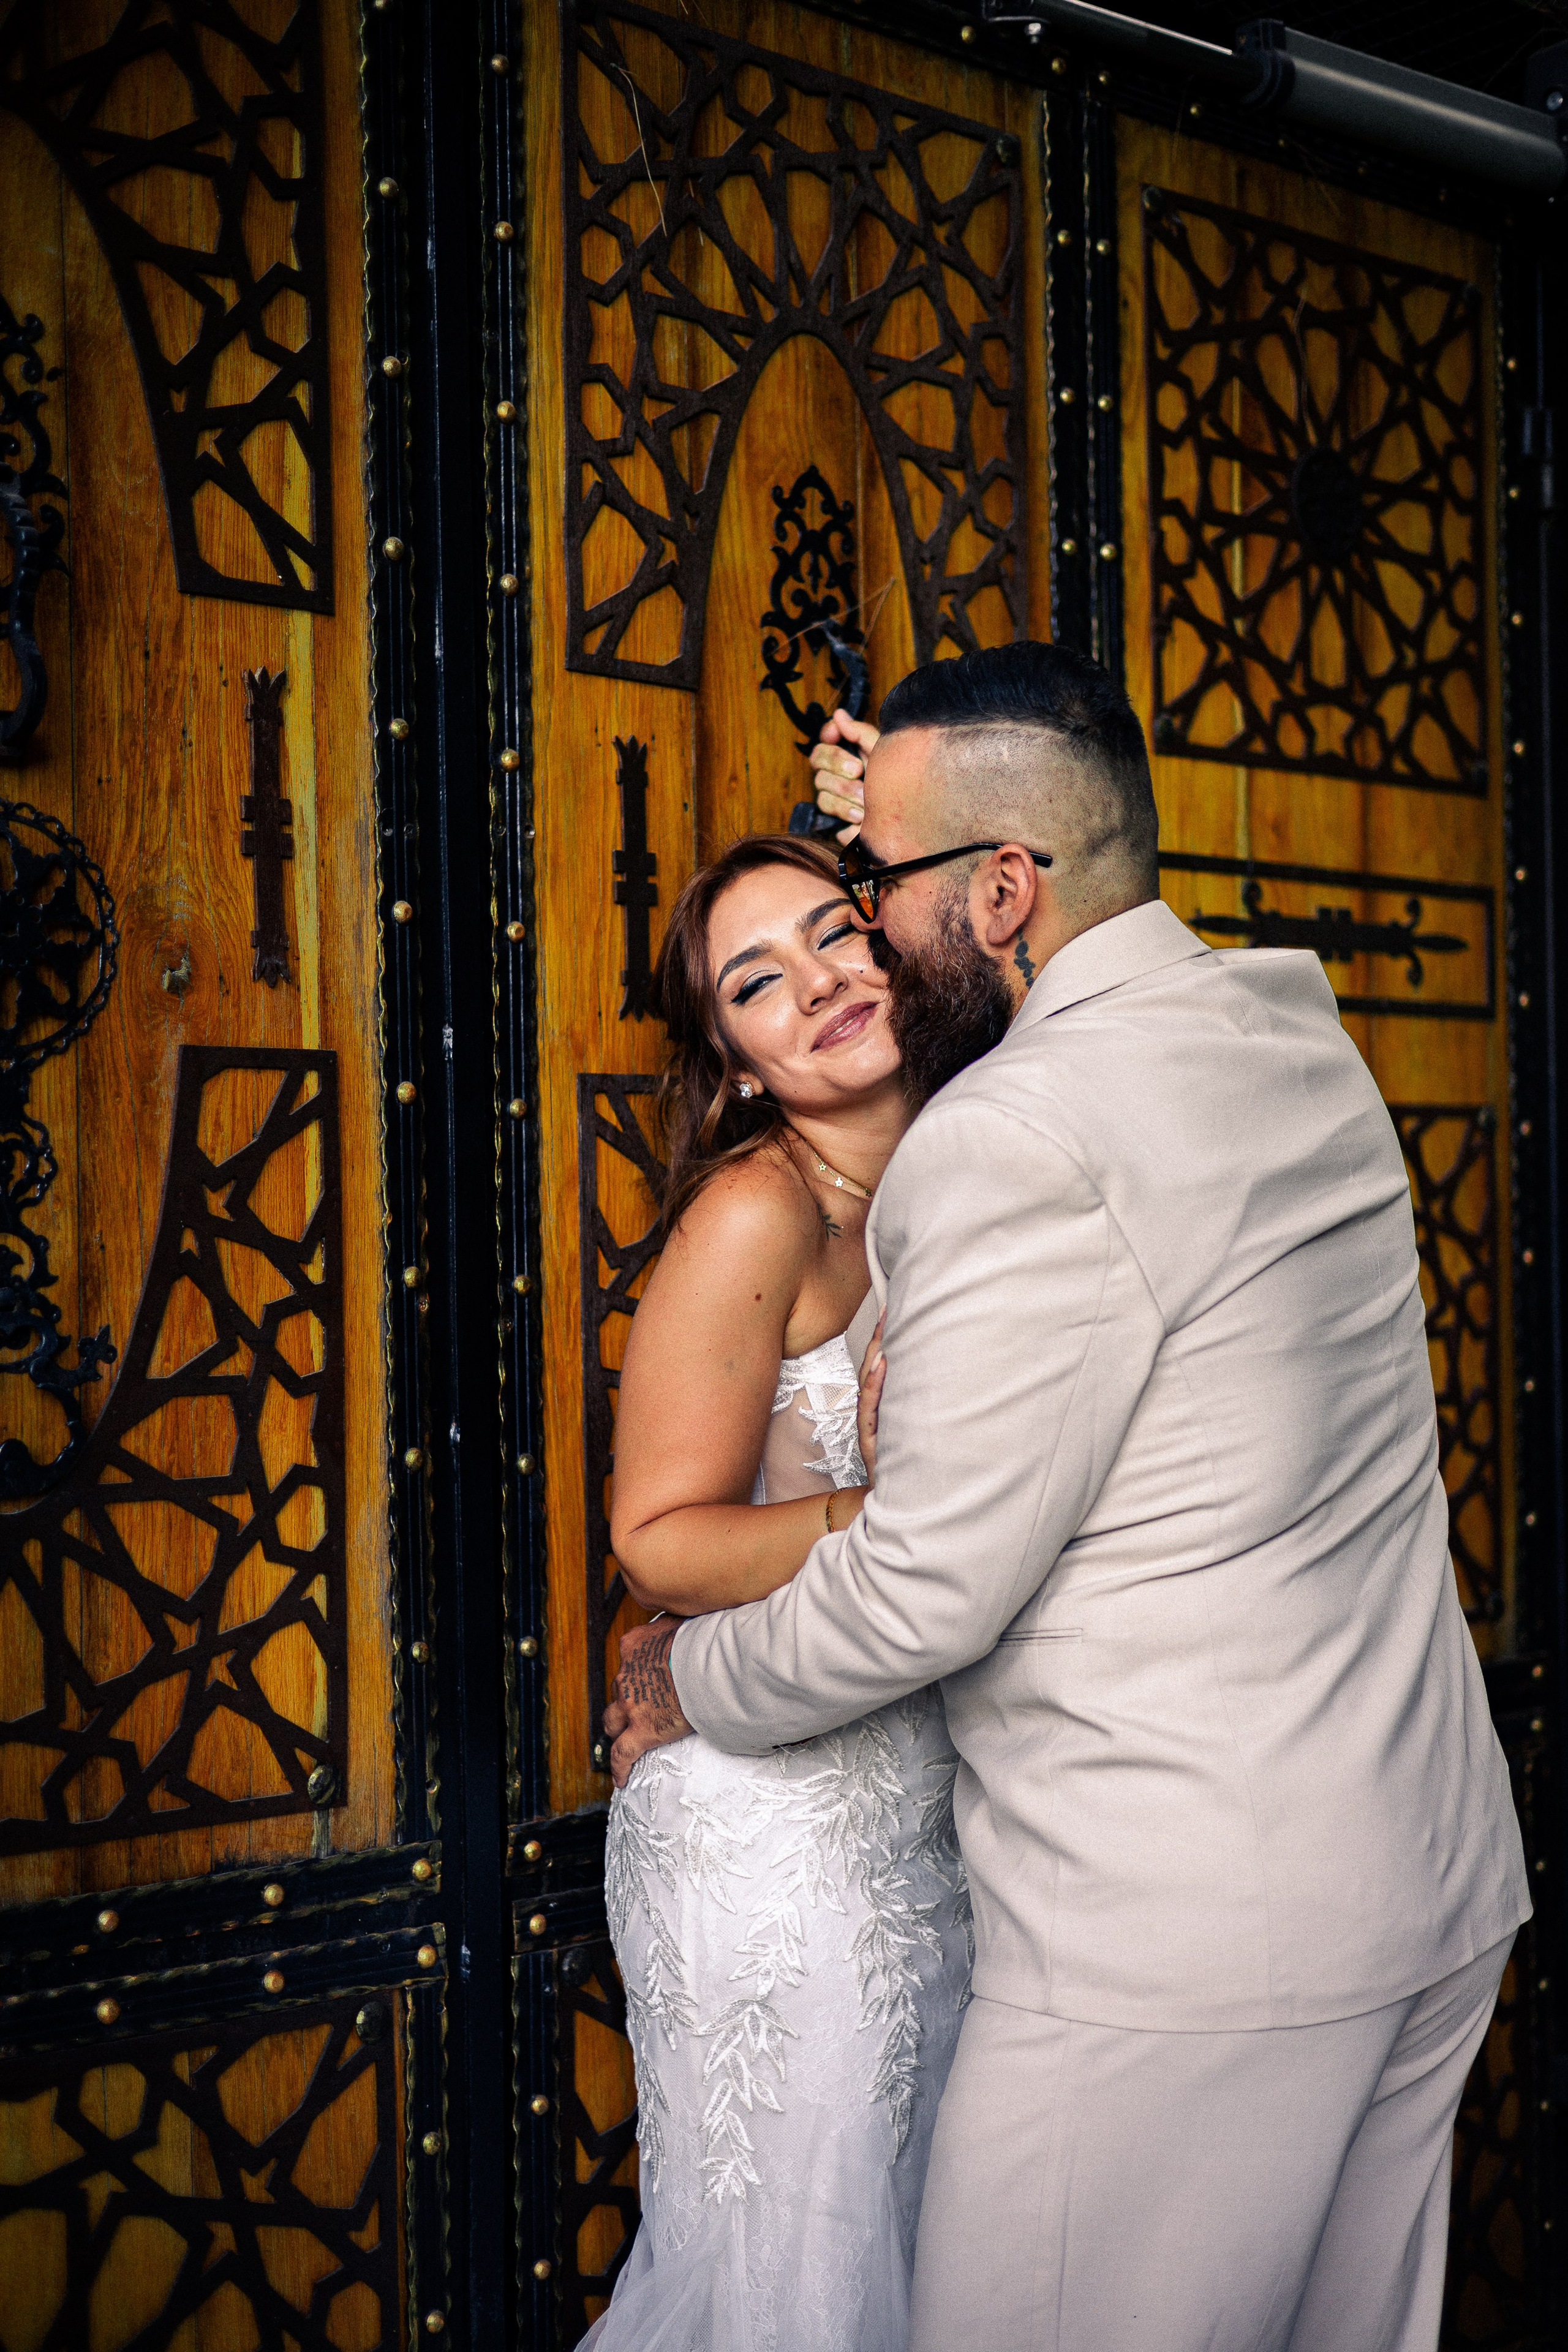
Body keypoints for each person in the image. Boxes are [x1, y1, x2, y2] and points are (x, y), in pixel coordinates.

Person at [603, 642, 1531, 2352]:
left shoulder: (1010, 1136)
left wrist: (697, 1683)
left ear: (1008, 887)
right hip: (1428, 1882)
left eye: (867, 896)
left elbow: (926, 1592)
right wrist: (925, 819)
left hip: (1186, 1953)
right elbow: (1041, 836)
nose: (859, 937)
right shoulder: (1292, 1036)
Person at [584, 832, 971, 2352]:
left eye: (836, 937)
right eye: (758, 983)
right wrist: (901, 1513)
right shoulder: (760, 1212)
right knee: (789, 2294)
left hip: (923, 1806)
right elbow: (660, 1539)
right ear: (734, 1062)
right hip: (769, 1839)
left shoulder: (972, 1147)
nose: (817, 987)